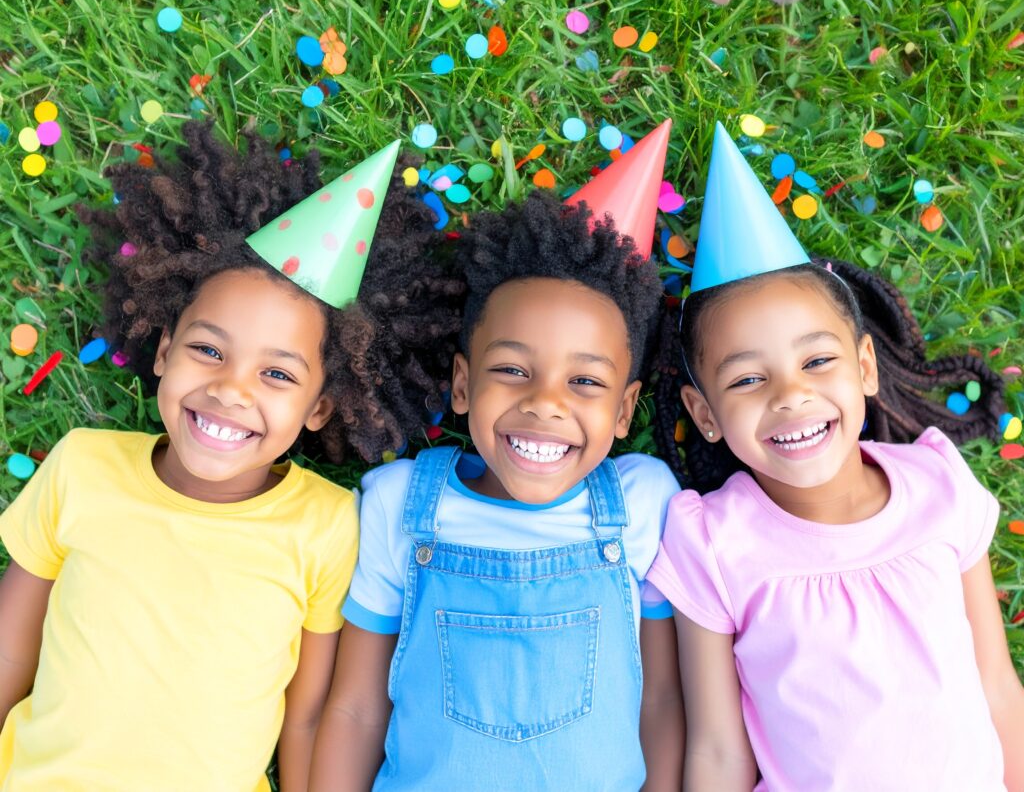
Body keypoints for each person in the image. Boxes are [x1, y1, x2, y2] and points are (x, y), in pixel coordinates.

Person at [0, 121, 462, 792]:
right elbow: (10, 646)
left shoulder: (326, 524)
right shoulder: (82, 466)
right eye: (208, 350)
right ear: (164, 351)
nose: (230, 390)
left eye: (277, 375)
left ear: (319, 408)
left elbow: (306, 717)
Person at [647, 122, 1024, 791]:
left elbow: (997, 684)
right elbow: (717, 750)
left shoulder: (938, 485)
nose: (791, 395)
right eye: (747, 378)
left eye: (817, 361)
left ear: (866, 367)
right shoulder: (711, 544)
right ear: (704, 414)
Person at [311, 121, 686, 791]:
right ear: (462, 385)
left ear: (625, 411)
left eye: (585, 381)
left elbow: (659, 701)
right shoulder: (400, 504)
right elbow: (357, 709)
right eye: (512, 370)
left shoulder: (642, 502)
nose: (545, 403)